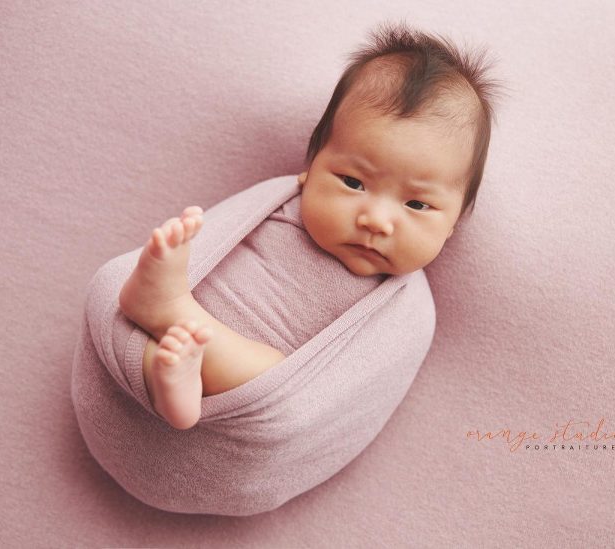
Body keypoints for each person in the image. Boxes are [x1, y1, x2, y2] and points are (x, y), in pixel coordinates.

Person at [117, 20, 501, 430]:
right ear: (310, 169)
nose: (376, 220)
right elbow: (215, 243)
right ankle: (169, 370)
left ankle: (168, 321)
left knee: (271, 376)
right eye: (353, 182)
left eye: (417, 204)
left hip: (248, 390)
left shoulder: (407, 310)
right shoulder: (275, 206)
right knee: (162, 349)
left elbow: (338, 401)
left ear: (453, 225)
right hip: (170, 348)